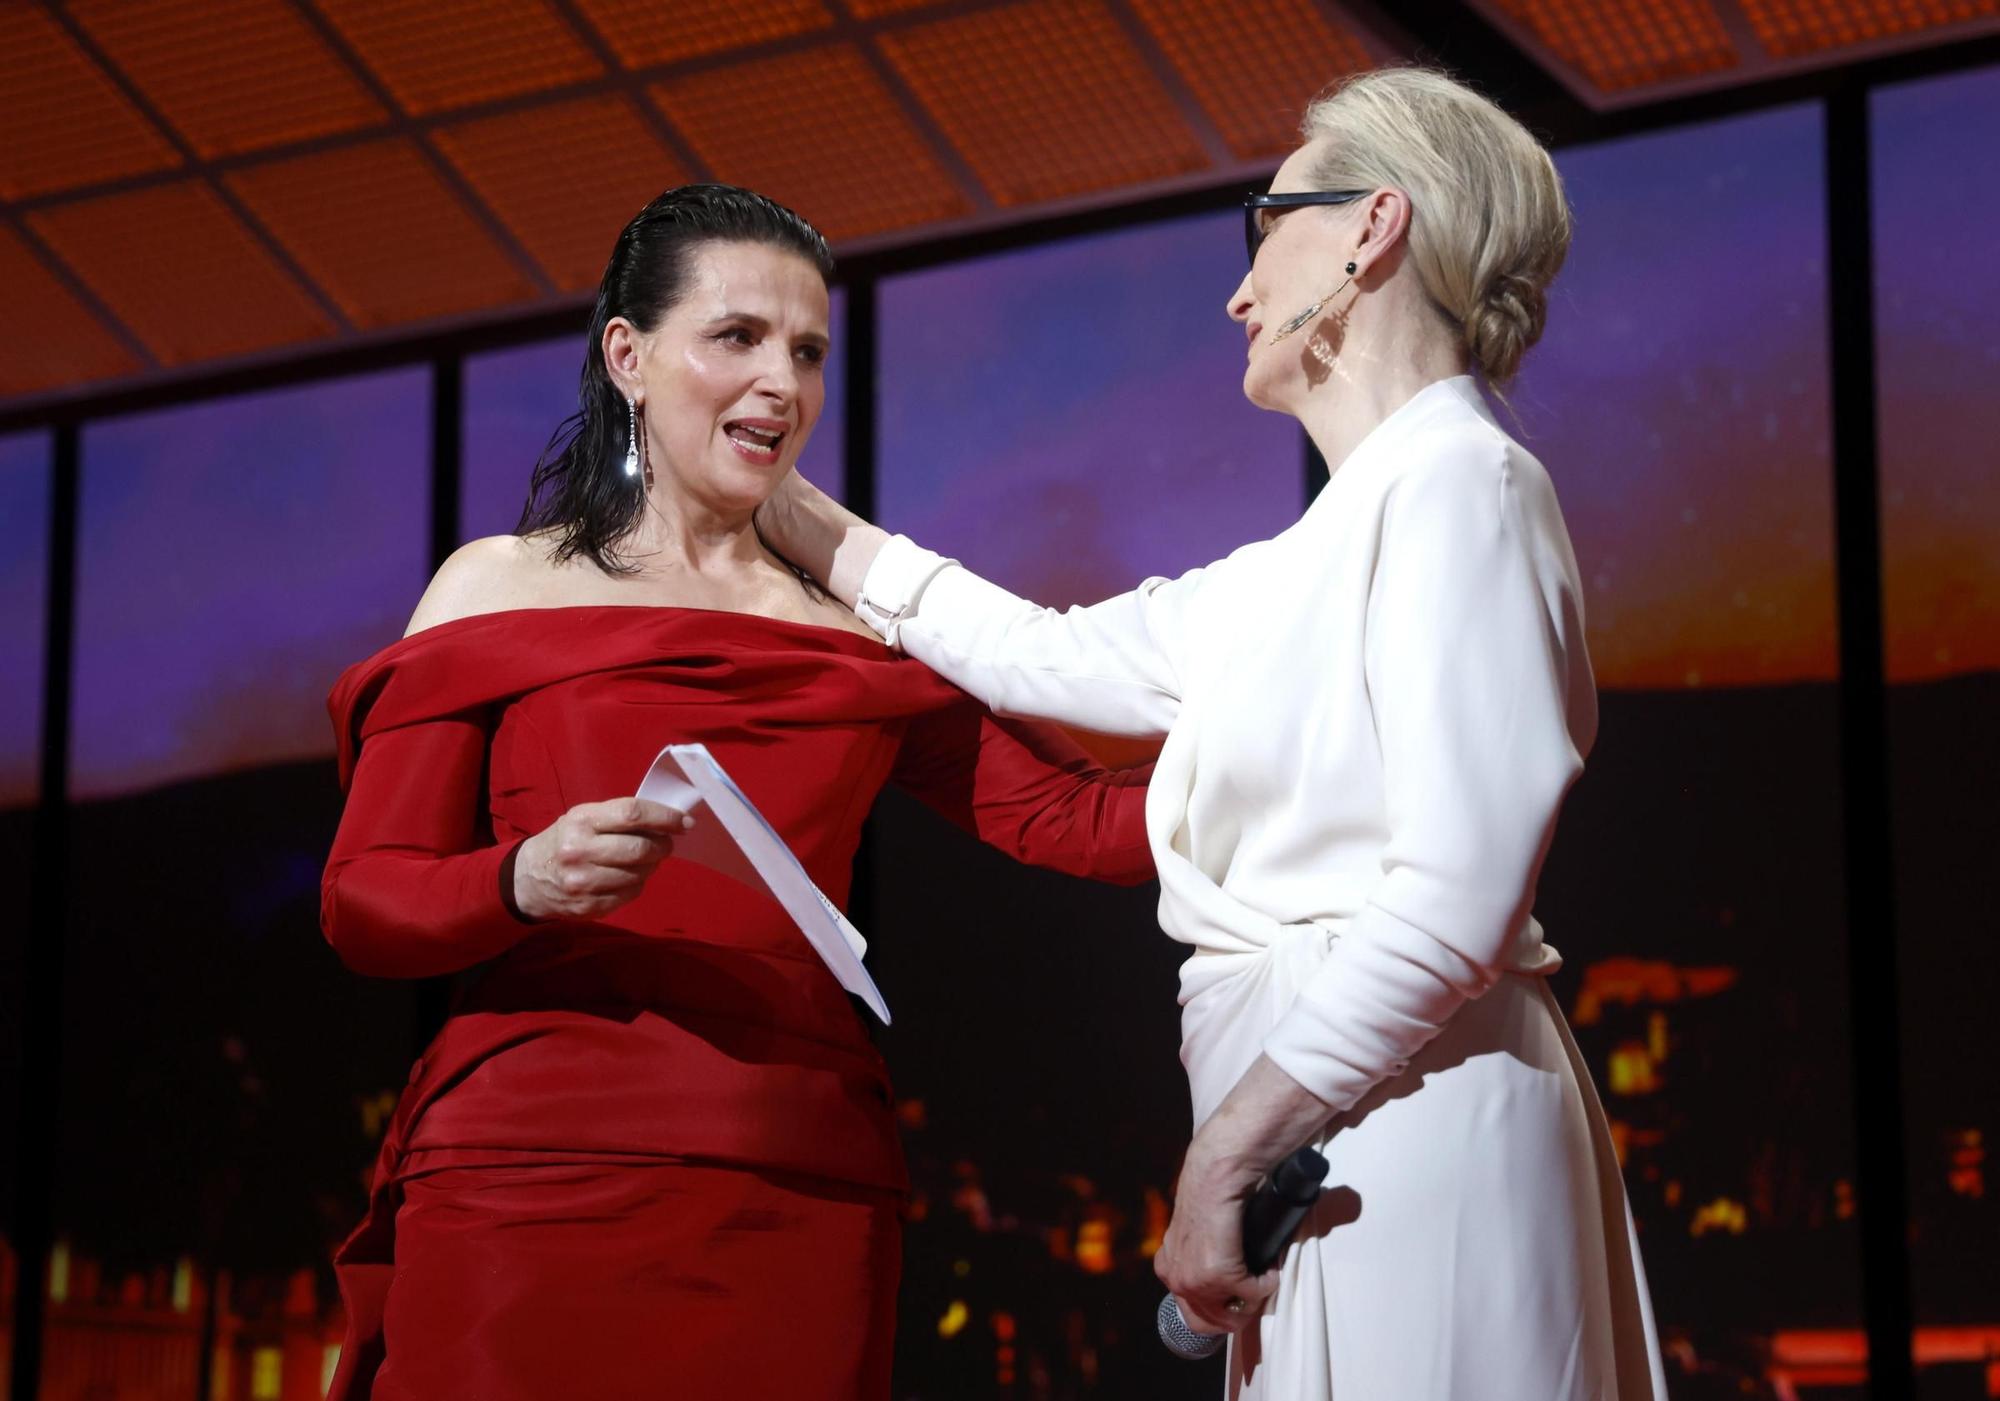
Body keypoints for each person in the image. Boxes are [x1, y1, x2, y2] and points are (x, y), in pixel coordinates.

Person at [757, 68, 1669, 1399]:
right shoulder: (1302, 559)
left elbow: (1459, 898)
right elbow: (1037, 654)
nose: (1240, 293)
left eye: (1267, 226)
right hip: (1330, 1137)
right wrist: (781, 505)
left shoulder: (1467, 483)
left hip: (1406, 1134)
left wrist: (1228, 1153)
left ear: (1372, 229)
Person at [318, 185, 1154, 1401]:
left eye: (807, 352)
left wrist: (1359, 737)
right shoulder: (497, 584)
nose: (782, 383)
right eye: (737, 339)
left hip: (793, 1181)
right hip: (529, 1166)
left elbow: (1082, 823)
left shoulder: (859, 633)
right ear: (629, 356)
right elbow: (364, 901)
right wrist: (521, 877)